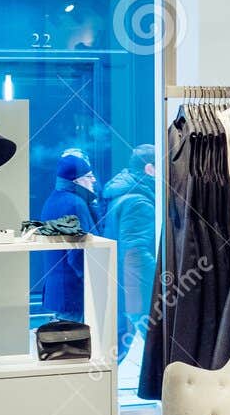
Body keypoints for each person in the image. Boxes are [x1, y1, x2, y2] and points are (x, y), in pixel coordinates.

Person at [100, 143, 158, 359]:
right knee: (158, 347)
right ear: (149, 169)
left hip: (123, 285)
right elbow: (136, 253)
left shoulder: (121, 194)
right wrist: (161, 281)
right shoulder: (139, 202)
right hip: (137, 289)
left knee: (119, 346)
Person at [39, 151, 98, 319]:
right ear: (77, 180)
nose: (93, 180)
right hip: (73, 292)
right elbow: (77, 254)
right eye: (89, 176)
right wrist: (93, 281)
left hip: (59, 289)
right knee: (75, 342)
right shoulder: (75, 204)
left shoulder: (52, 200)